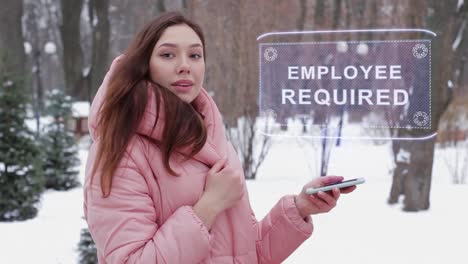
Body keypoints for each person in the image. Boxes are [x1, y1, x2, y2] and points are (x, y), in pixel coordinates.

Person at [83, 11, 356, 264]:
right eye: (167, 55)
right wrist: (209, 206)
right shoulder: (120, 150)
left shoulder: (212, 140)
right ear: (143, 65)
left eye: (195, 55)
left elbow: (247, 253)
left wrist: (299, 208)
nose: (184, 66)